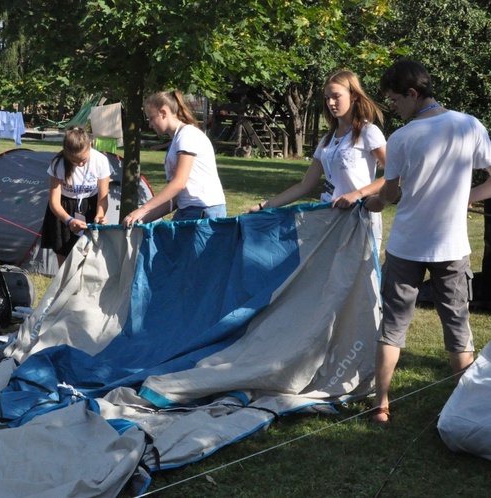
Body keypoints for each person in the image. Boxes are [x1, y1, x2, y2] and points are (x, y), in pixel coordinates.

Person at [364, 59, 491, 426]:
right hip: (452, 247)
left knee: (393, 325)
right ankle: (467, 413)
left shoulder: (403, 137)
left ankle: (381, 405)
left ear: (412, 93)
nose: (394, 109)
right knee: (458, 326)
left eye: (394, 101)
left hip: (406, 246)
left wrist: (373, 202)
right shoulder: (469, 125)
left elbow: (388, 194)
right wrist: (468, 195)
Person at [247, 70, 387, 247]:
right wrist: (263, 207)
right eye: (327, 98)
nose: (330, 103)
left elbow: (395, 175)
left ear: (354, 96)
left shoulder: (368, 132)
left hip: (359, 219)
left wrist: (357, 194)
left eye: (336, 96)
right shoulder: (327, 139)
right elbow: (304, 185)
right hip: (329, 219)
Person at [122, 90, 226, 226]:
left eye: (151, 118)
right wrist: (144, 218)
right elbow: (176, 198)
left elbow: (179, 183)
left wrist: (143, 209)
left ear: (163, 112)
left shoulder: (187, 134)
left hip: (204, 210)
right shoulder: (176, 140)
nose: (150, 124)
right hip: (188, 210)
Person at [40, 125, 112, 267]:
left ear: (90, 145)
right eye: (74, 160)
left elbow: (103, 198)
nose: (79, 164)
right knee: (63, 254)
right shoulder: (58, 163)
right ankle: (65, 287)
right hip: (63, 209)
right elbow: (54, 201)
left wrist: (100, 215)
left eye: (83, 160)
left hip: (89, 206)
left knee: (89, 255)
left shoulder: (101, 161)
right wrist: (69, 220)